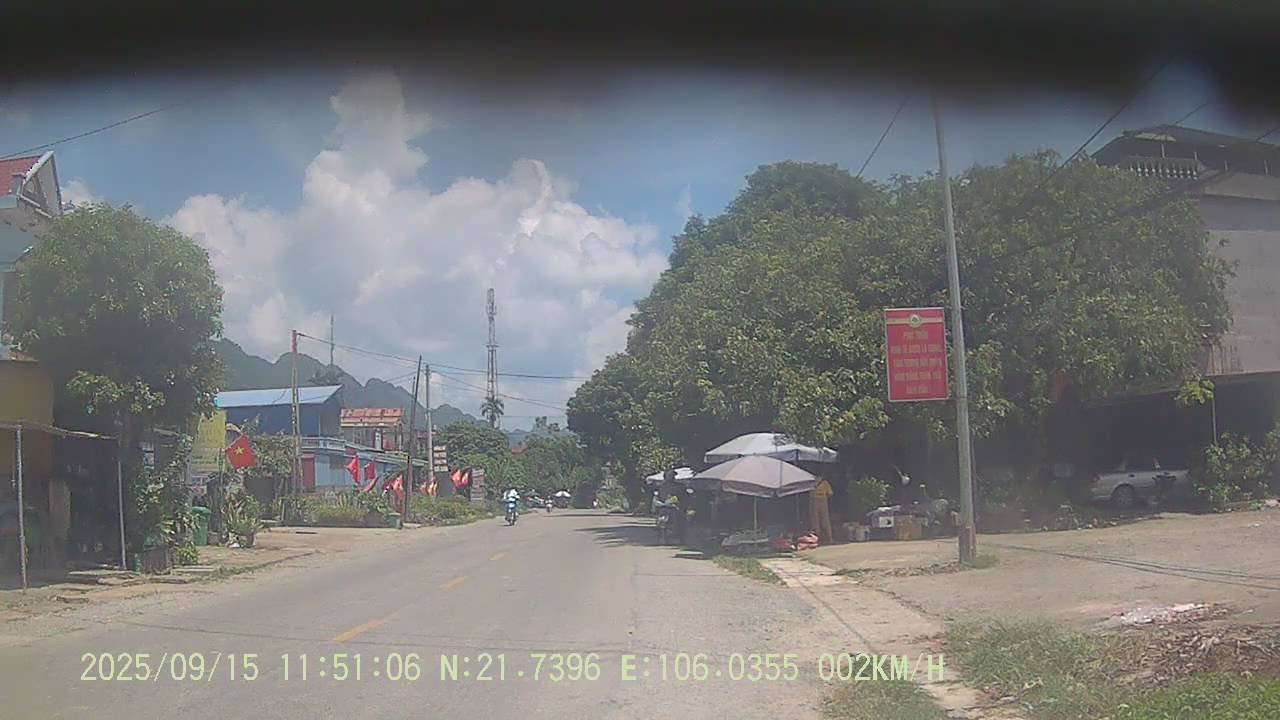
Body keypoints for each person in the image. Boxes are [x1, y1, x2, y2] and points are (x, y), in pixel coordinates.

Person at [809, 475, 834, 543]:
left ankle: (828, 538)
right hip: (816, 499)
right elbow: (830, 493)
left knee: (822, 520)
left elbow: (830, 493)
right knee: (816, 520)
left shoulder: (824, 483)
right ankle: (818, 538)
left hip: (820, 499)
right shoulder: (811, 482)